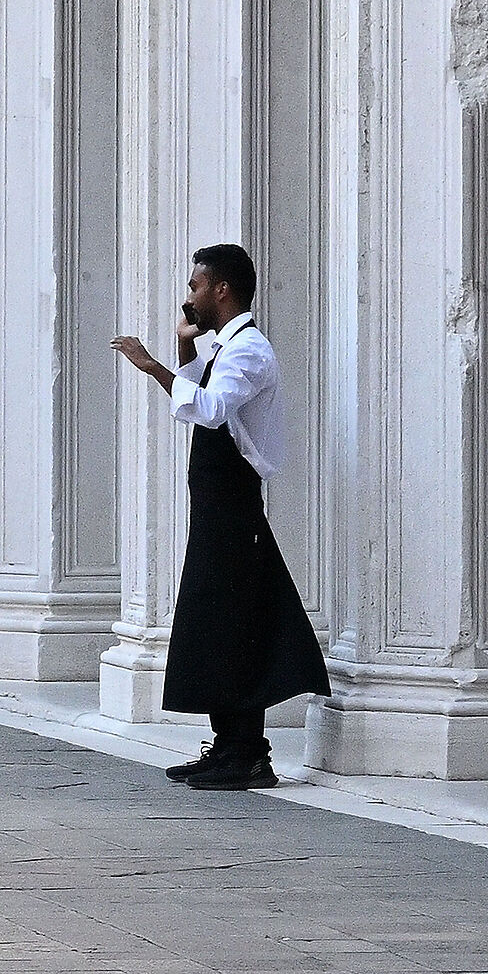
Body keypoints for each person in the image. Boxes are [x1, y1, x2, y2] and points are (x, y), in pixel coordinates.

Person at [112, 243, 330, 790]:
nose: (189, 295)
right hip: (215, 505)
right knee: (213, 622)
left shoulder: (249, 351)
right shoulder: (223, 348)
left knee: (236, 623)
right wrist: (185, 349)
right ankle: (229, 745)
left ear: (221, 289)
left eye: (195, 286)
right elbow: (202, 397)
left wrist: (153, 366)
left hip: (235, 505)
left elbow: (208, 410)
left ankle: (250, 754)